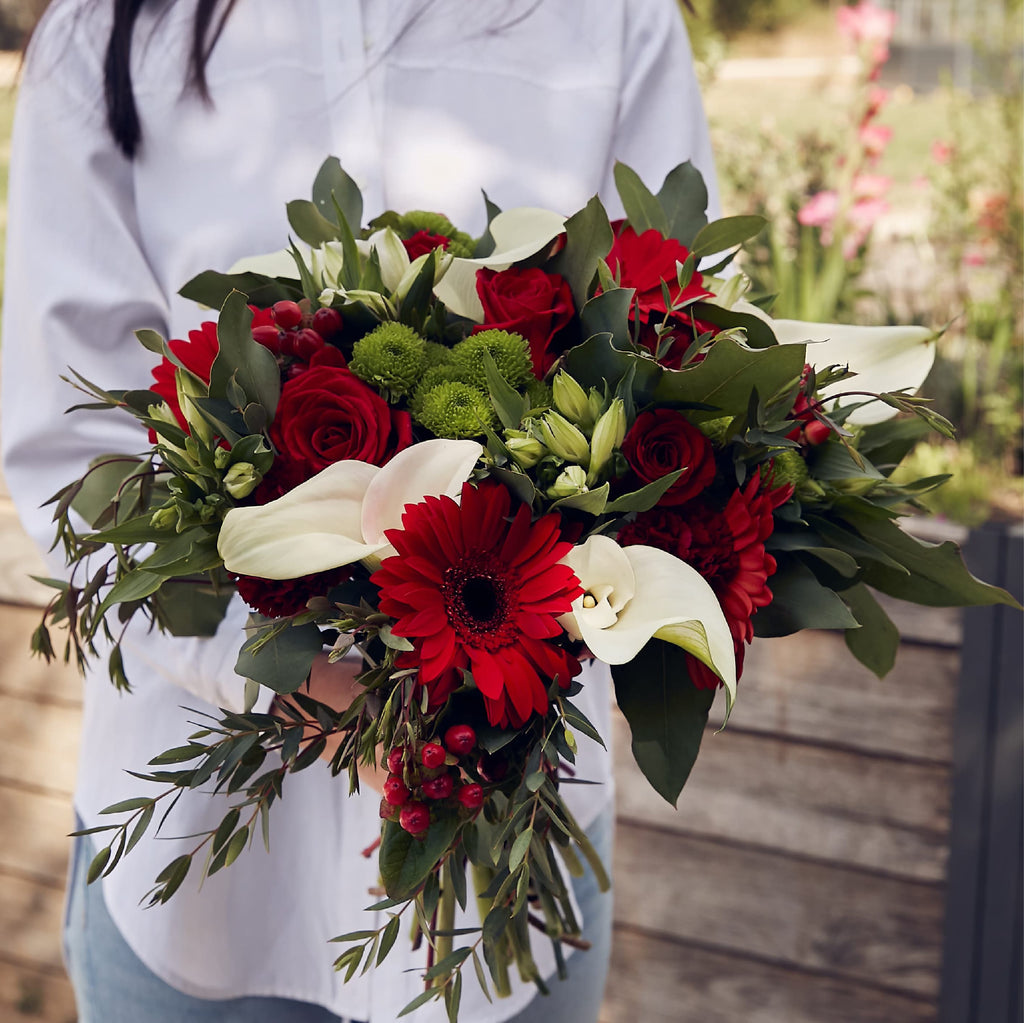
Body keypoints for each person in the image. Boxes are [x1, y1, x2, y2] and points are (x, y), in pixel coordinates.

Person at [1, 1, 721, 1020]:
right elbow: (72, 444)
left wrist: (520, 642)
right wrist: (299, 671)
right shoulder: (106, 34)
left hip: (506, 870)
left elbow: (680, 351)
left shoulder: (607, 21)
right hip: (196, 880)